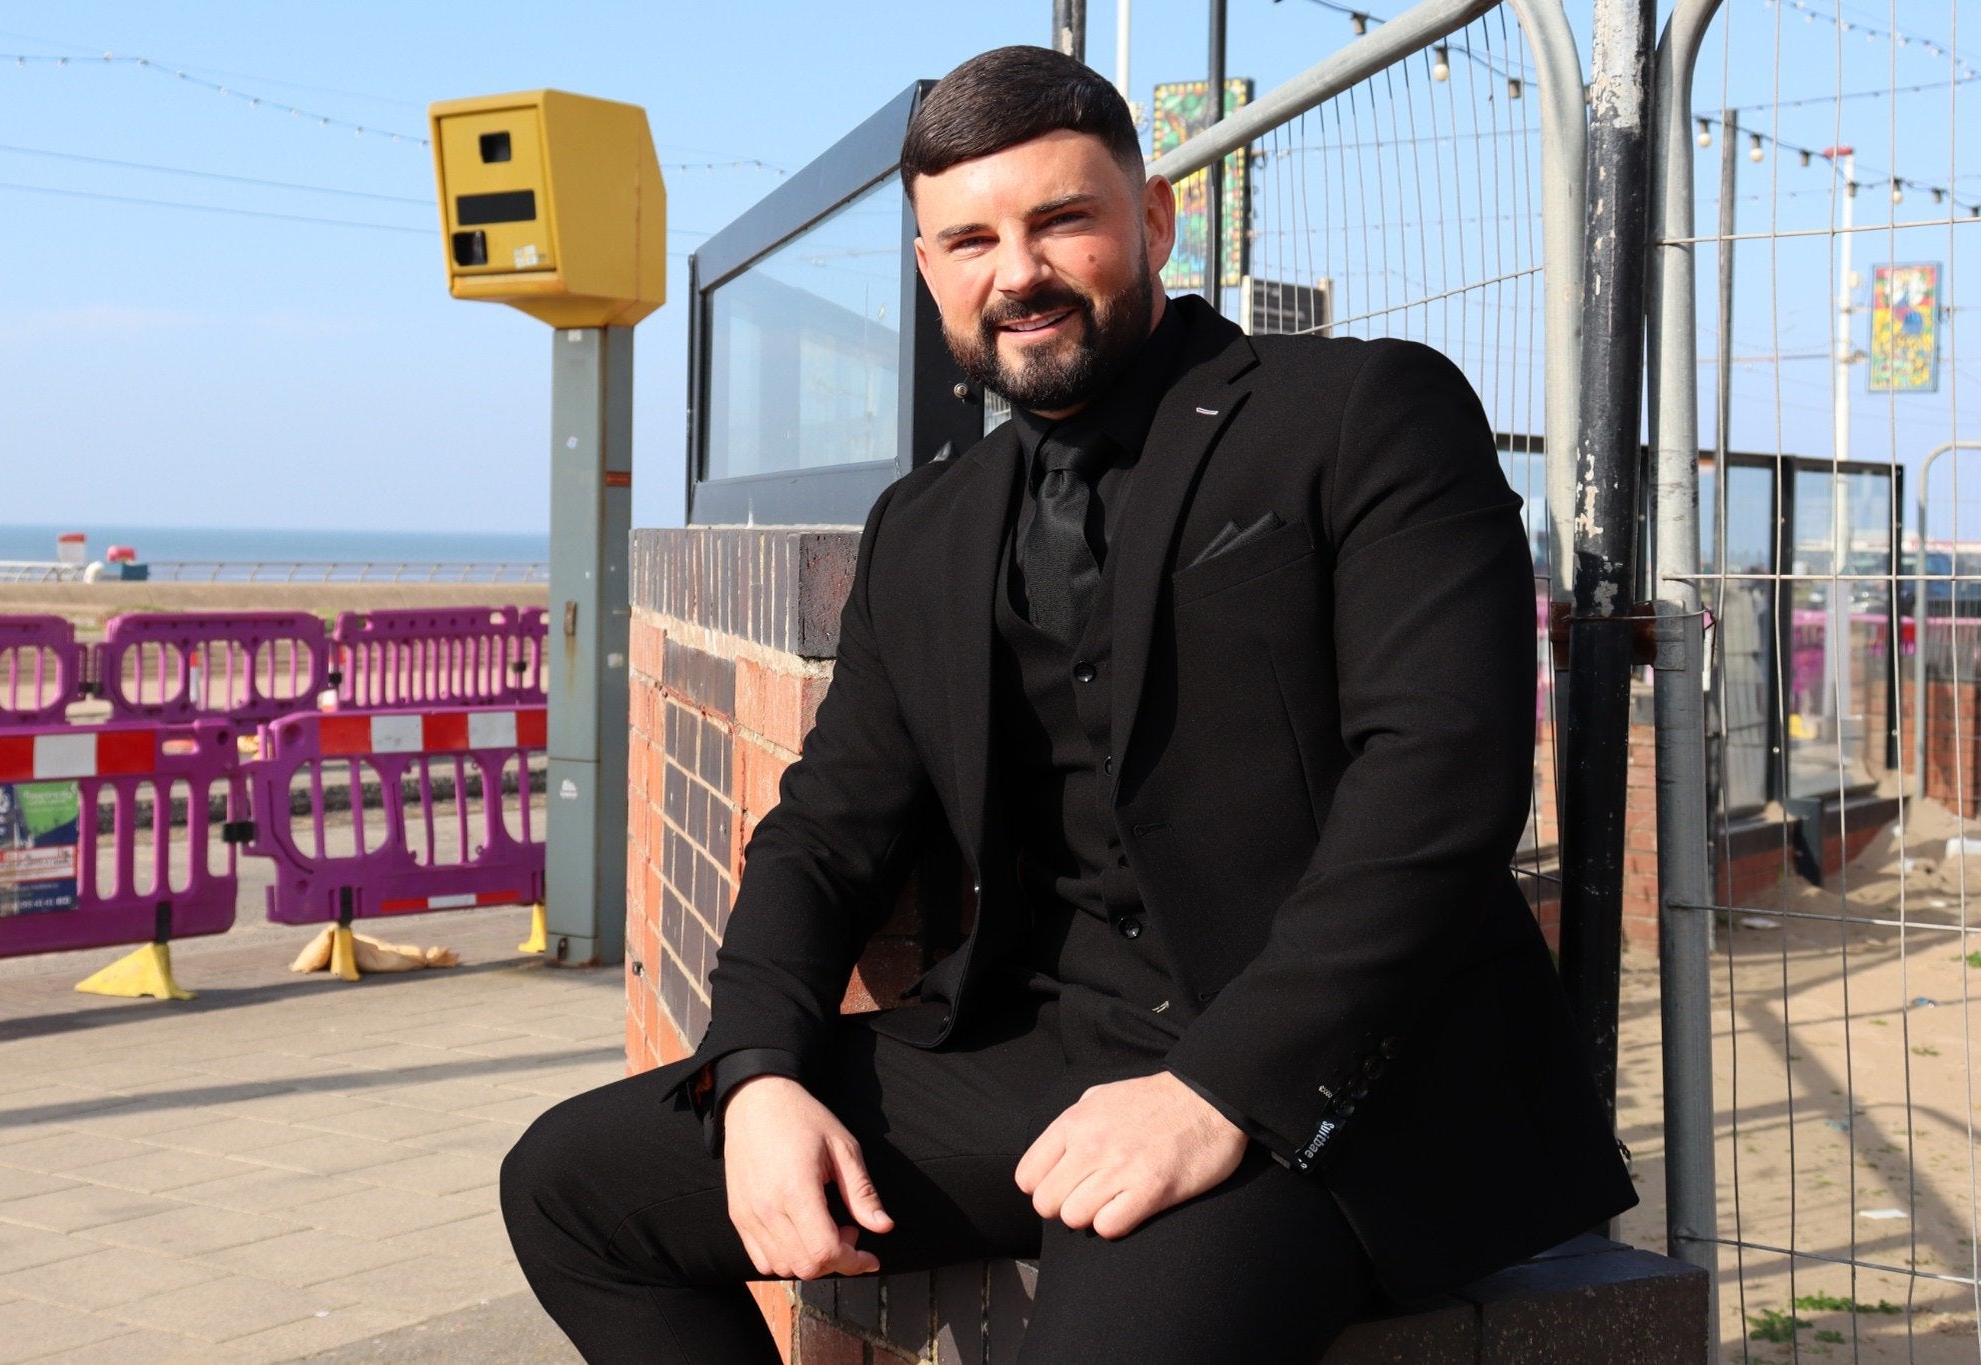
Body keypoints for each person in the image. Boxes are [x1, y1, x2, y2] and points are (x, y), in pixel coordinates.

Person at [501, 44, 1636, 1364]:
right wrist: (755, 1068)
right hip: (1039, 1050)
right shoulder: (925, 528)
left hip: (1332, 1084)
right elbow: (826, 830)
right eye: (969, 239)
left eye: (1061, 220)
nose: (1018, 271)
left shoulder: (1367, 411)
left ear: (1151, 220)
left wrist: (1225, 1084)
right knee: (570, 1187)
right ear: (930, 271)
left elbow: (1444, 775)